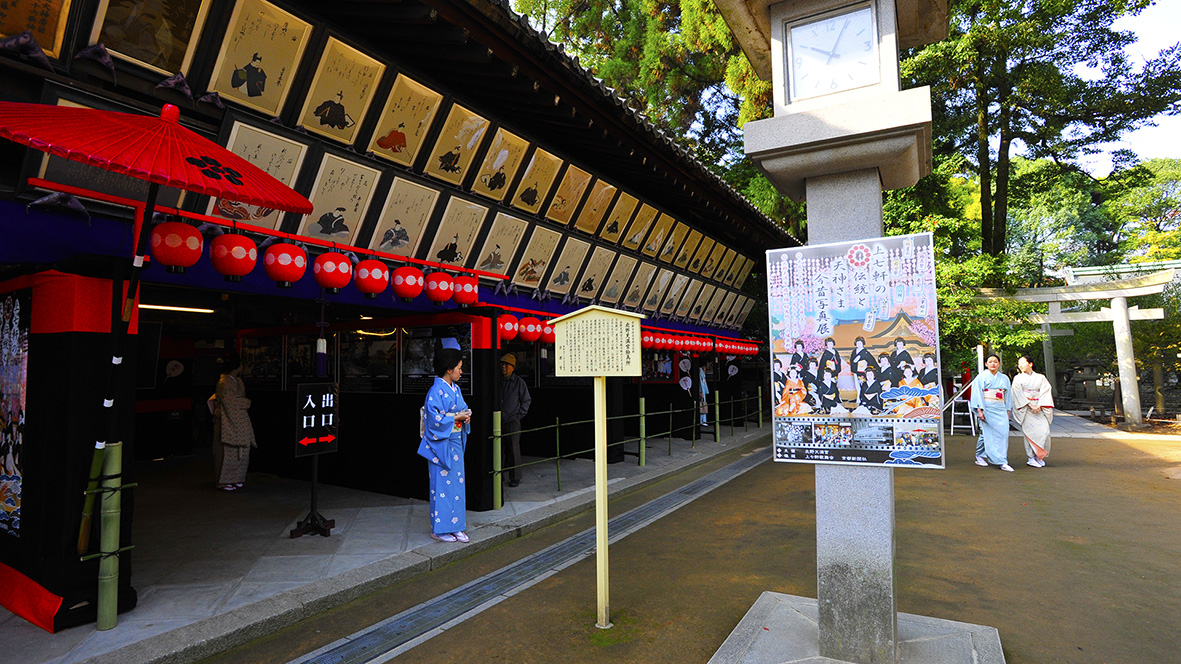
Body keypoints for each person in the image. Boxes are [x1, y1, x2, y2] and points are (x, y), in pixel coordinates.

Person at [416, 348, 473, 543]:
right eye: (459, 368)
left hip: (455, 443)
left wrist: (466, 415)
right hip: (440, 445)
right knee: (441, 487)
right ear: (449, 369)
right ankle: (439, 529)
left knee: (457, 486)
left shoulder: (455, 389)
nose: (461, 372)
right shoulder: (435, 391)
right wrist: (456, 416)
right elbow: (433, 420)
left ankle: (457, 526)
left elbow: (462, 408)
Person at [211, 354, 256, 491]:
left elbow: (234, 400)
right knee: (225, 451)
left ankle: (237, 478)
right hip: (226, 420)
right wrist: (246, 403)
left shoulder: (238, 381)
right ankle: (224, 481)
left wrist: (241, 403)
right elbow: (229, 401)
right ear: (237, 366)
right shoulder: (223, 383)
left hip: (239, 418)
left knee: (241, 452)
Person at [968, 353, 1014, 471]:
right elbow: (977, 393)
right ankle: (983, 456)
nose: (993, 363)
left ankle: (1000, 458)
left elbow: (1008, 396)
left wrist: (1007, 411)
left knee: (1003, 434)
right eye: (990, 362)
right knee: (986, 434)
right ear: (986, 364)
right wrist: (980, 410)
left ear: (999, 364)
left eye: (995, 362)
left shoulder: (1004, 378)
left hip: (1000, 408)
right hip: (987, 407)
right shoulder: (981, 377)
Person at [1012, 355, 1054, 467]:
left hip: (1040, 408)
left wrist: (1039, 405)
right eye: (1019, 363)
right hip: (1026, 409)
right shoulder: (1018, 378)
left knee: (1044, 431)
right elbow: (1017, 394)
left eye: (1022, 362)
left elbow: (1046, 391)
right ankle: (1031, 457)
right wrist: (1030, 405)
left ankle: (1038, 456)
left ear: (1030, 364)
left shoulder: (1041, 377)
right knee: (1029, 433)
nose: (1020, 365)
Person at [499, 353, 531, 487]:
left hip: (513, 420)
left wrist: (518, 416)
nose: (504, 367)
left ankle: (515, 477)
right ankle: (498, 476)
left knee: (513, 449)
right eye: (502, 364)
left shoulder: (519, 382)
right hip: (498, 420)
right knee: (498, 449)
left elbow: (526, 400)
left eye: (507, 365)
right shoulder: (498, 380)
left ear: (512, 367)